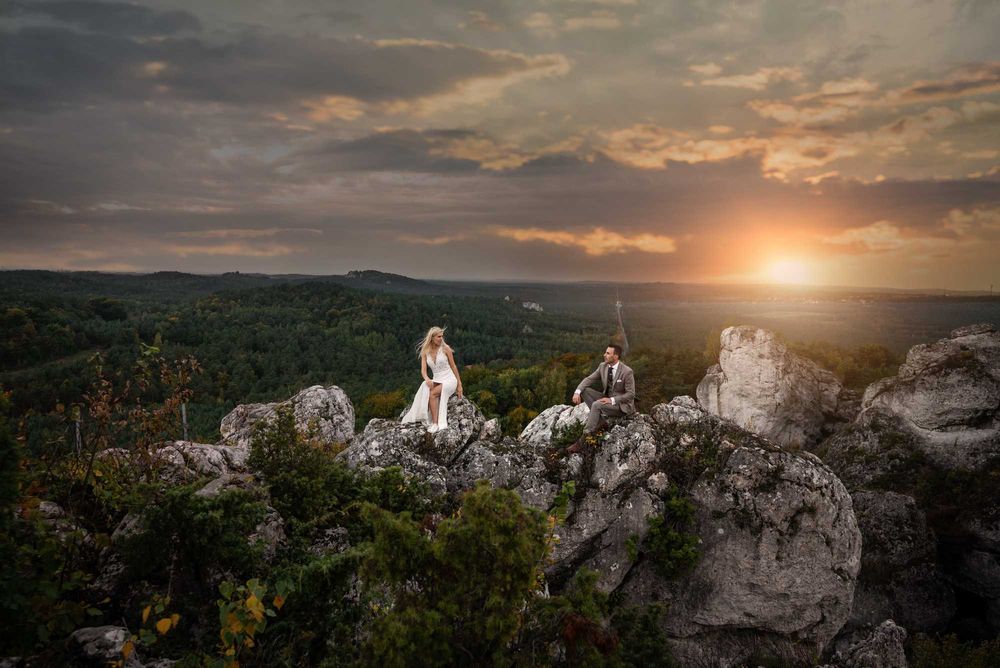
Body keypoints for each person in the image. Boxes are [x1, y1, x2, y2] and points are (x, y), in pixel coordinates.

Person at [567, 343, 635, 453]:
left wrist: (612, 400)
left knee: (596, 405)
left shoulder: (627, 371)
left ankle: (583, 439)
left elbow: (631, 394)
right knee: (585, 390)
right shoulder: (602, 366)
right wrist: (577, 392)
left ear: (616, 356)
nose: (604, 355)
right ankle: (601, 422)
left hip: (621, 405)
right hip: (606, 398)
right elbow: (588, 379)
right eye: (605, 352)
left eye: (608, 353)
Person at [400, 326, 464, 433]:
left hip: (449, 380)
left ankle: (436, 423)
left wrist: (459, 385)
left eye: (442, 336)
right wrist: (427, 379)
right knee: (425, 385)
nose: (441, 339)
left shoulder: (446, 349)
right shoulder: (425, 351)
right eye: (439, 337)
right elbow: (423, 371)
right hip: (437, 379)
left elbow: (453, 366)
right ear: (432, 338)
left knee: (433, 394)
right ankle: (423, 416)